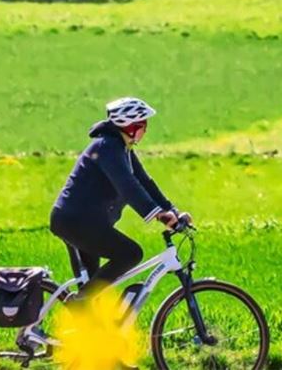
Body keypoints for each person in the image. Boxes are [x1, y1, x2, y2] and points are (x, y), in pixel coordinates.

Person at [49, 97, 190, 295]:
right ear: (130, 127)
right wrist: (158, 215)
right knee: (130, 254)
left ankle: (81, 316)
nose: (146, 130)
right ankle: (79, 305)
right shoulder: (107, 148)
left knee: (94, 289)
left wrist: (172, 210)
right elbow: (128, 187)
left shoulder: (122, 149)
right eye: (143, 125)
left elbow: (145, 183)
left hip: (88, 222)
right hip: (76, 222)